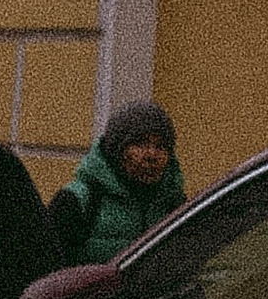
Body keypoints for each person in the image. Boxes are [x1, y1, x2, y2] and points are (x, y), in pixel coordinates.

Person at [47, 101, 186, 262]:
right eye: (140, 144)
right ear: (117, 150)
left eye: (161, 146)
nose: (151, 155)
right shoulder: (76, 202)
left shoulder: (176, 205)